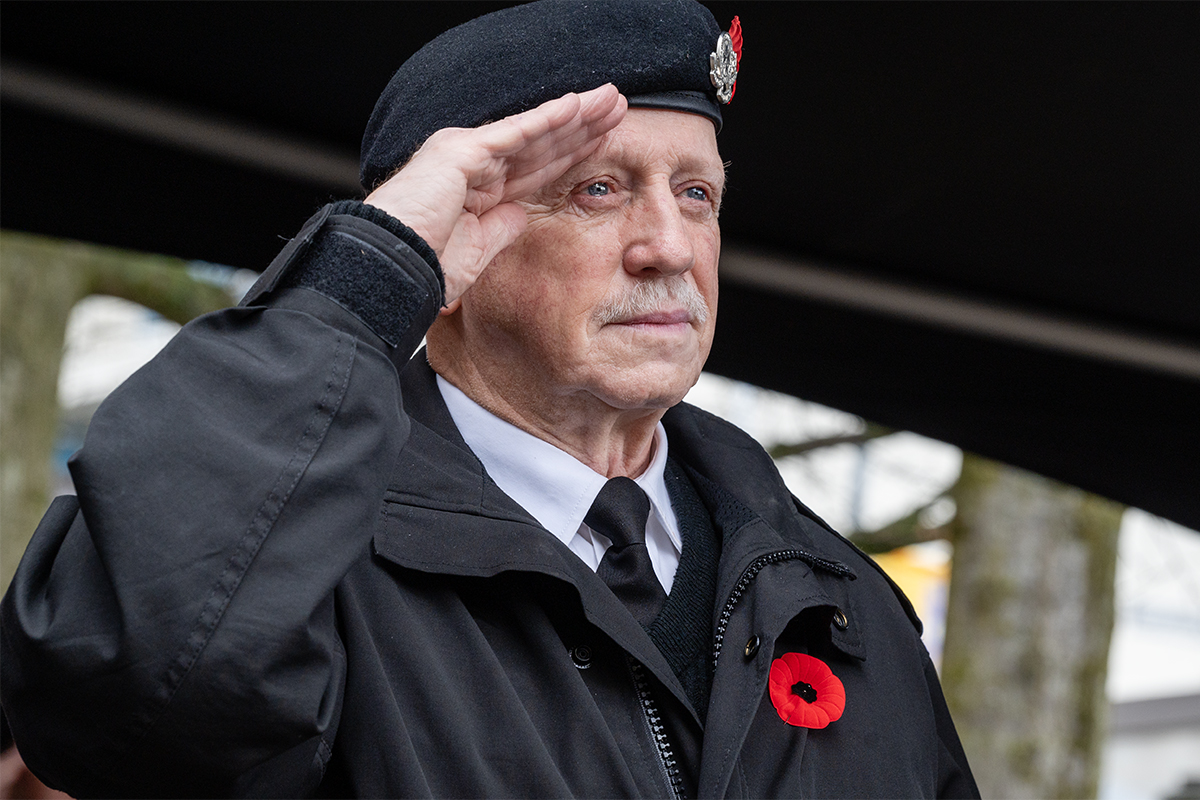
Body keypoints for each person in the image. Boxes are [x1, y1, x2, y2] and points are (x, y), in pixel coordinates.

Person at [1, 1, 979, 797]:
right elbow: (129, 691)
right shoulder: (301, 576)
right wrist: (369, 276)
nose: (670, 247)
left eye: (696, 194)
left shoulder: (843, 603)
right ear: (455, 244)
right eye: (599, 189)